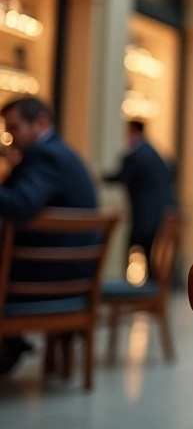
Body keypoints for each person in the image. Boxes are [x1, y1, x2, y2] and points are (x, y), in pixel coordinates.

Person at [0, 97, 98, 374]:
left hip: (49, 279)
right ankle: (11, 344)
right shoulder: (59, 152)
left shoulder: (45, 156)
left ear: (41, 122)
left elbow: (20, 205)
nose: (11, 137)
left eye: (15, 128)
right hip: (71, 275)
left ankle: (10, 344)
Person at [104, 120, 174, 271]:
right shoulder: (153, 152)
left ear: (132, 130)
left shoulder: (137, 155)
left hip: (145, 214)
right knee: (150, 255)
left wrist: (101, 177)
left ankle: (136, 286)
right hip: (159, 211)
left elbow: (123, 176)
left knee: (141, 250)